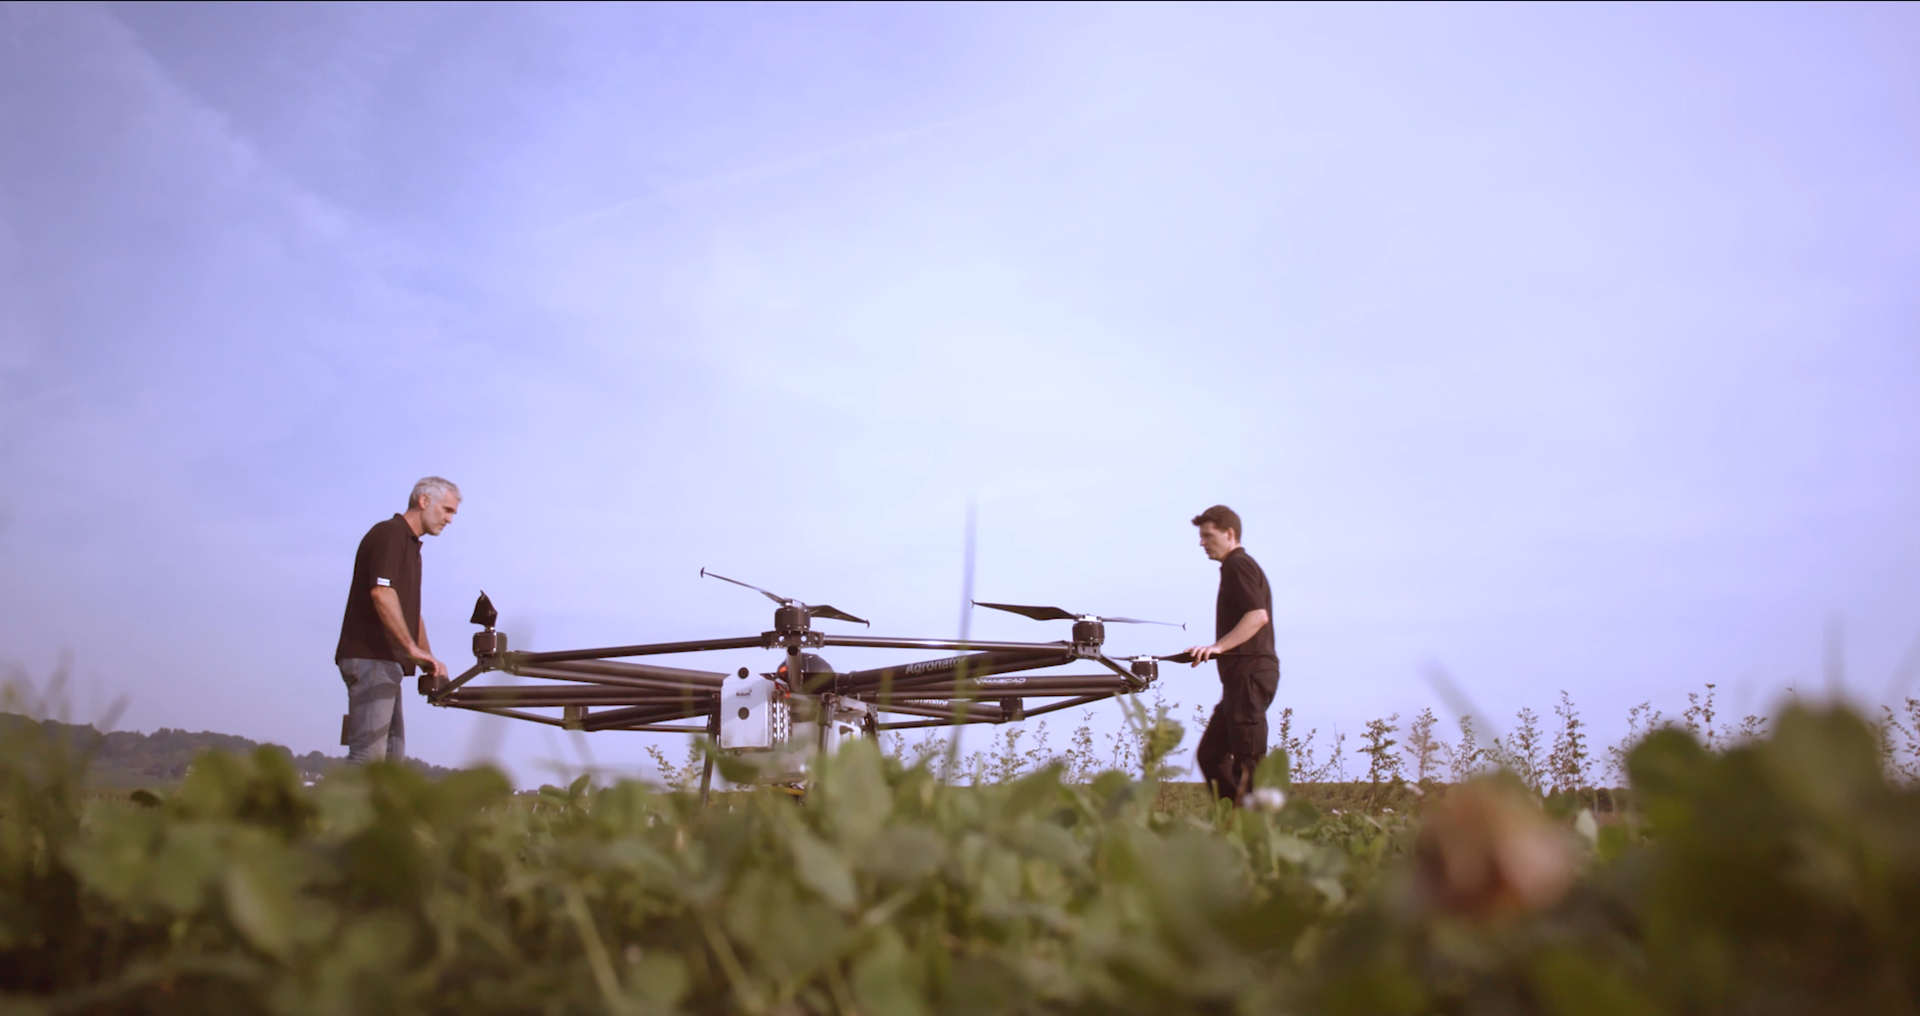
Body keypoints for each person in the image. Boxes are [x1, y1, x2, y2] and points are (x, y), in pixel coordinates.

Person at [334, 477, 460, 764]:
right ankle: (341, 810)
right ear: (424, 501)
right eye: (447, 510)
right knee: (368, 756)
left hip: (388, 663)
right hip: (371, 658)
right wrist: (410, 648)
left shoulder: (412, 547)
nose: (450, 520)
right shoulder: (389, 533)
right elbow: (381, 593)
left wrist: (428, 660)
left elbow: (410, 614)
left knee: (392, 760)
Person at [1184, 504, 1280, 805]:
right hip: (1238, 681)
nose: (1202, 543)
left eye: (1208, 536)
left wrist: (1217, 647)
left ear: (1229, 533)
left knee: (1249, 764)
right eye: (1200, 536)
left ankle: (1260, 835)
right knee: (1211, 756)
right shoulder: (1232, 568)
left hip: (1250, 676)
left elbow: (1258, 616)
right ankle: (1237, 818)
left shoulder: (1239, 564)